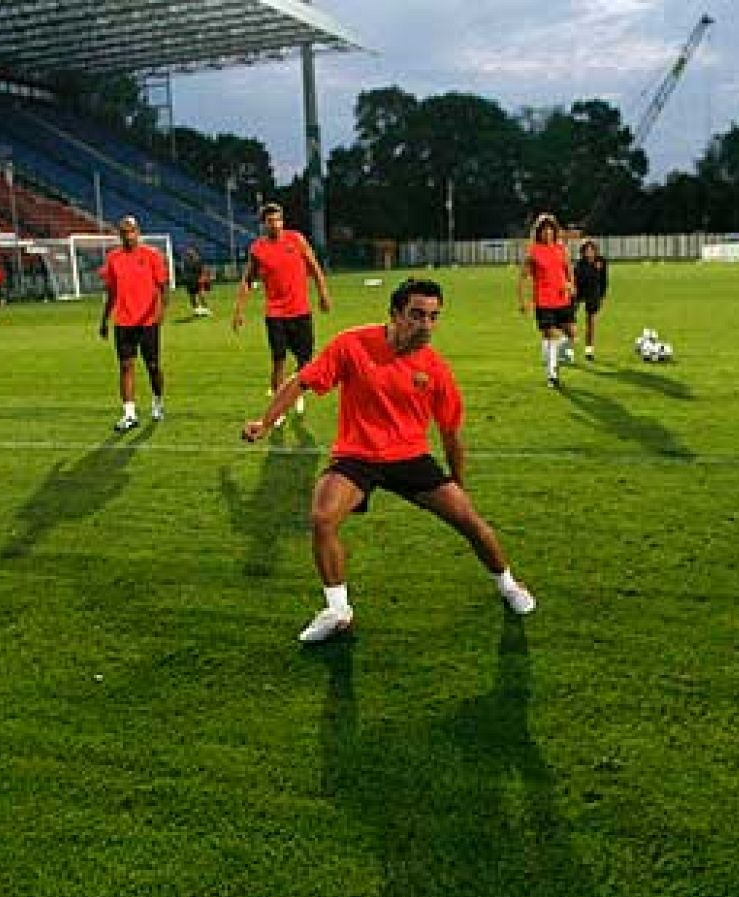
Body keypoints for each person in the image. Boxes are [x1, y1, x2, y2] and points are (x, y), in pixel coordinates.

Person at [241, 278, 537, 642]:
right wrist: (265, 421)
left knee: (470, 521)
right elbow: (301, 381)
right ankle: (337, 610)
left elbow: (450, 434)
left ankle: (508, 585)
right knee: (321, 517)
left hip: (410, 457)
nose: (426, 325)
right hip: (357, 456)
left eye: (433, 317)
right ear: (395, 314)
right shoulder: (352, 344)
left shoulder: (436, 369)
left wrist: (458, 483)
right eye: (417, 315)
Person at [231, 202, 332, 421]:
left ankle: (296, 392)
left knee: (305, 361)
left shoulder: (296, 239)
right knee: (278, 360)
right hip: (276, 313)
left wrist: (323, 293)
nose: (276, 224)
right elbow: (248, 279)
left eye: (279, 219)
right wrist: (239, 309)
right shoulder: (258, 249)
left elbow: (314, 267)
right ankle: (277, 406)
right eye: (270, 221)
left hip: (301, 310)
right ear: (263, 224)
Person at [97, 215, 169, 431]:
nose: (128, 235)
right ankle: (129, 413)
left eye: (131, 231)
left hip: (148, 322)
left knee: (153, 366)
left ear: (138, 232)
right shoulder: (113, 259)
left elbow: (164, 288)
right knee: (126, 366)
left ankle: (157, 401)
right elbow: (111, 292)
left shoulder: (152, 256)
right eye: (124, 232)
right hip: (123, 322)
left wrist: (160, 314)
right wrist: (104, 319)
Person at [517, 213, 575, 387]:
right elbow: (523, 277)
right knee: (552, 335)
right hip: (544, 301)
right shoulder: (533, 251)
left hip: (562, 299)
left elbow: (568, 268)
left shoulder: (560, 248)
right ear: (539, 232)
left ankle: (551, 351)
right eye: (544, 230)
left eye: (550, 230)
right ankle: (552, 374)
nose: (547, 233)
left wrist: (571, 285)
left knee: (571, 334)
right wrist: (523, 301)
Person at [573, 239, 609, 361]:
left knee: (591, 321)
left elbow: (604, 280)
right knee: (570, 319)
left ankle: (589, 350)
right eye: (586, 250)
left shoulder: (601, 262)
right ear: (582, 252)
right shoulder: (579, 265)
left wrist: (602, 296)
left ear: (595, 251)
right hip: (579, 291)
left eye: (591, 250)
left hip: (593, 292)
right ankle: (569, 345)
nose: (589, 253)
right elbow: (575, 282)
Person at [180, 245, 211, 316]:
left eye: (190, 250)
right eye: (188, 251)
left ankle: (206, 309)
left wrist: (203, 277)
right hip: (190, 281)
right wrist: (185, 278)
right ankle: (196, 310)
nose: (188, 252)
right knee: (192, 296)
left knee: (202, 295)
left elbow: (204, 269)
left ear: (194, 251)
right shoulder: (185, 261)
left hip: (198, 280)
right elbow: (185, 270)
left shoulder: (199, 260)